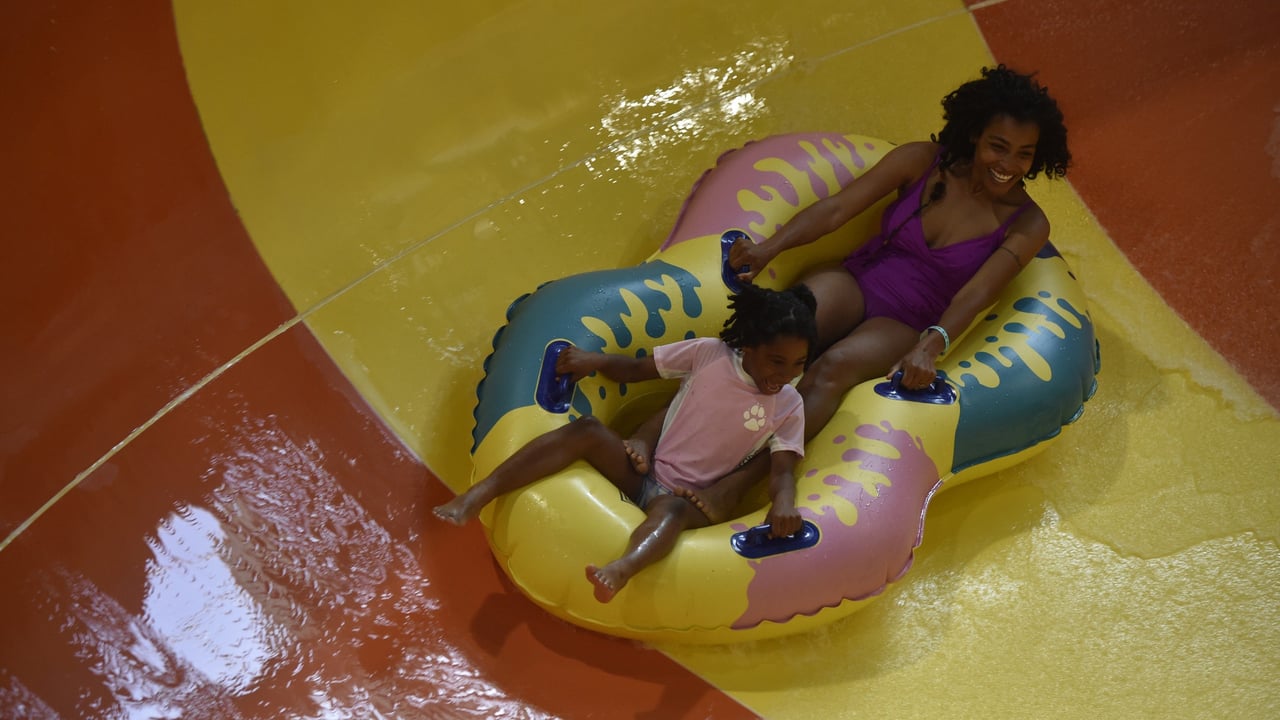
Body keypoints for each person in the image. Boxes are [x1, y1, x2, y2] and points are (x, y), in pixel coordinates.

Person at [628, 65, 1072, 524]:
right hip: (859, 280)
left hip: (906, 319)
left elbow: (977, 293)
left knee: (831, 369)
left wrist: (929, 345)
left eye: (1024, 154)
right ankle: (649, 433)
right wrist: (769, 247)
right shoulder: (923, 161)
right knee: (775, 332)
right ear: (975, 134)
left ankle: (734, 485)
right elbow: (838, 208)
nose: (1008, 164)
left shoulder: (1027, 223)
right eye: (998, 146)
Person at [434, 284, 819, 603]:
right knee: (586, 428)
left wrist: (784, 502)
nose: (785, 375)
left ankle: (622, 568)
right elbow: (636, 370)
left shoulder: (789, 405)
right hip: (645, 471)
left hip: (690, 498)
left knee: (669, 512)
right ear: (748, 346)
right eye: (776, 361)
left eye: (798, 364)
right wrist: (594, 360)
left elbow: (782, 469)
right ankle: (479, 493)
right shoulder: (709, 355)